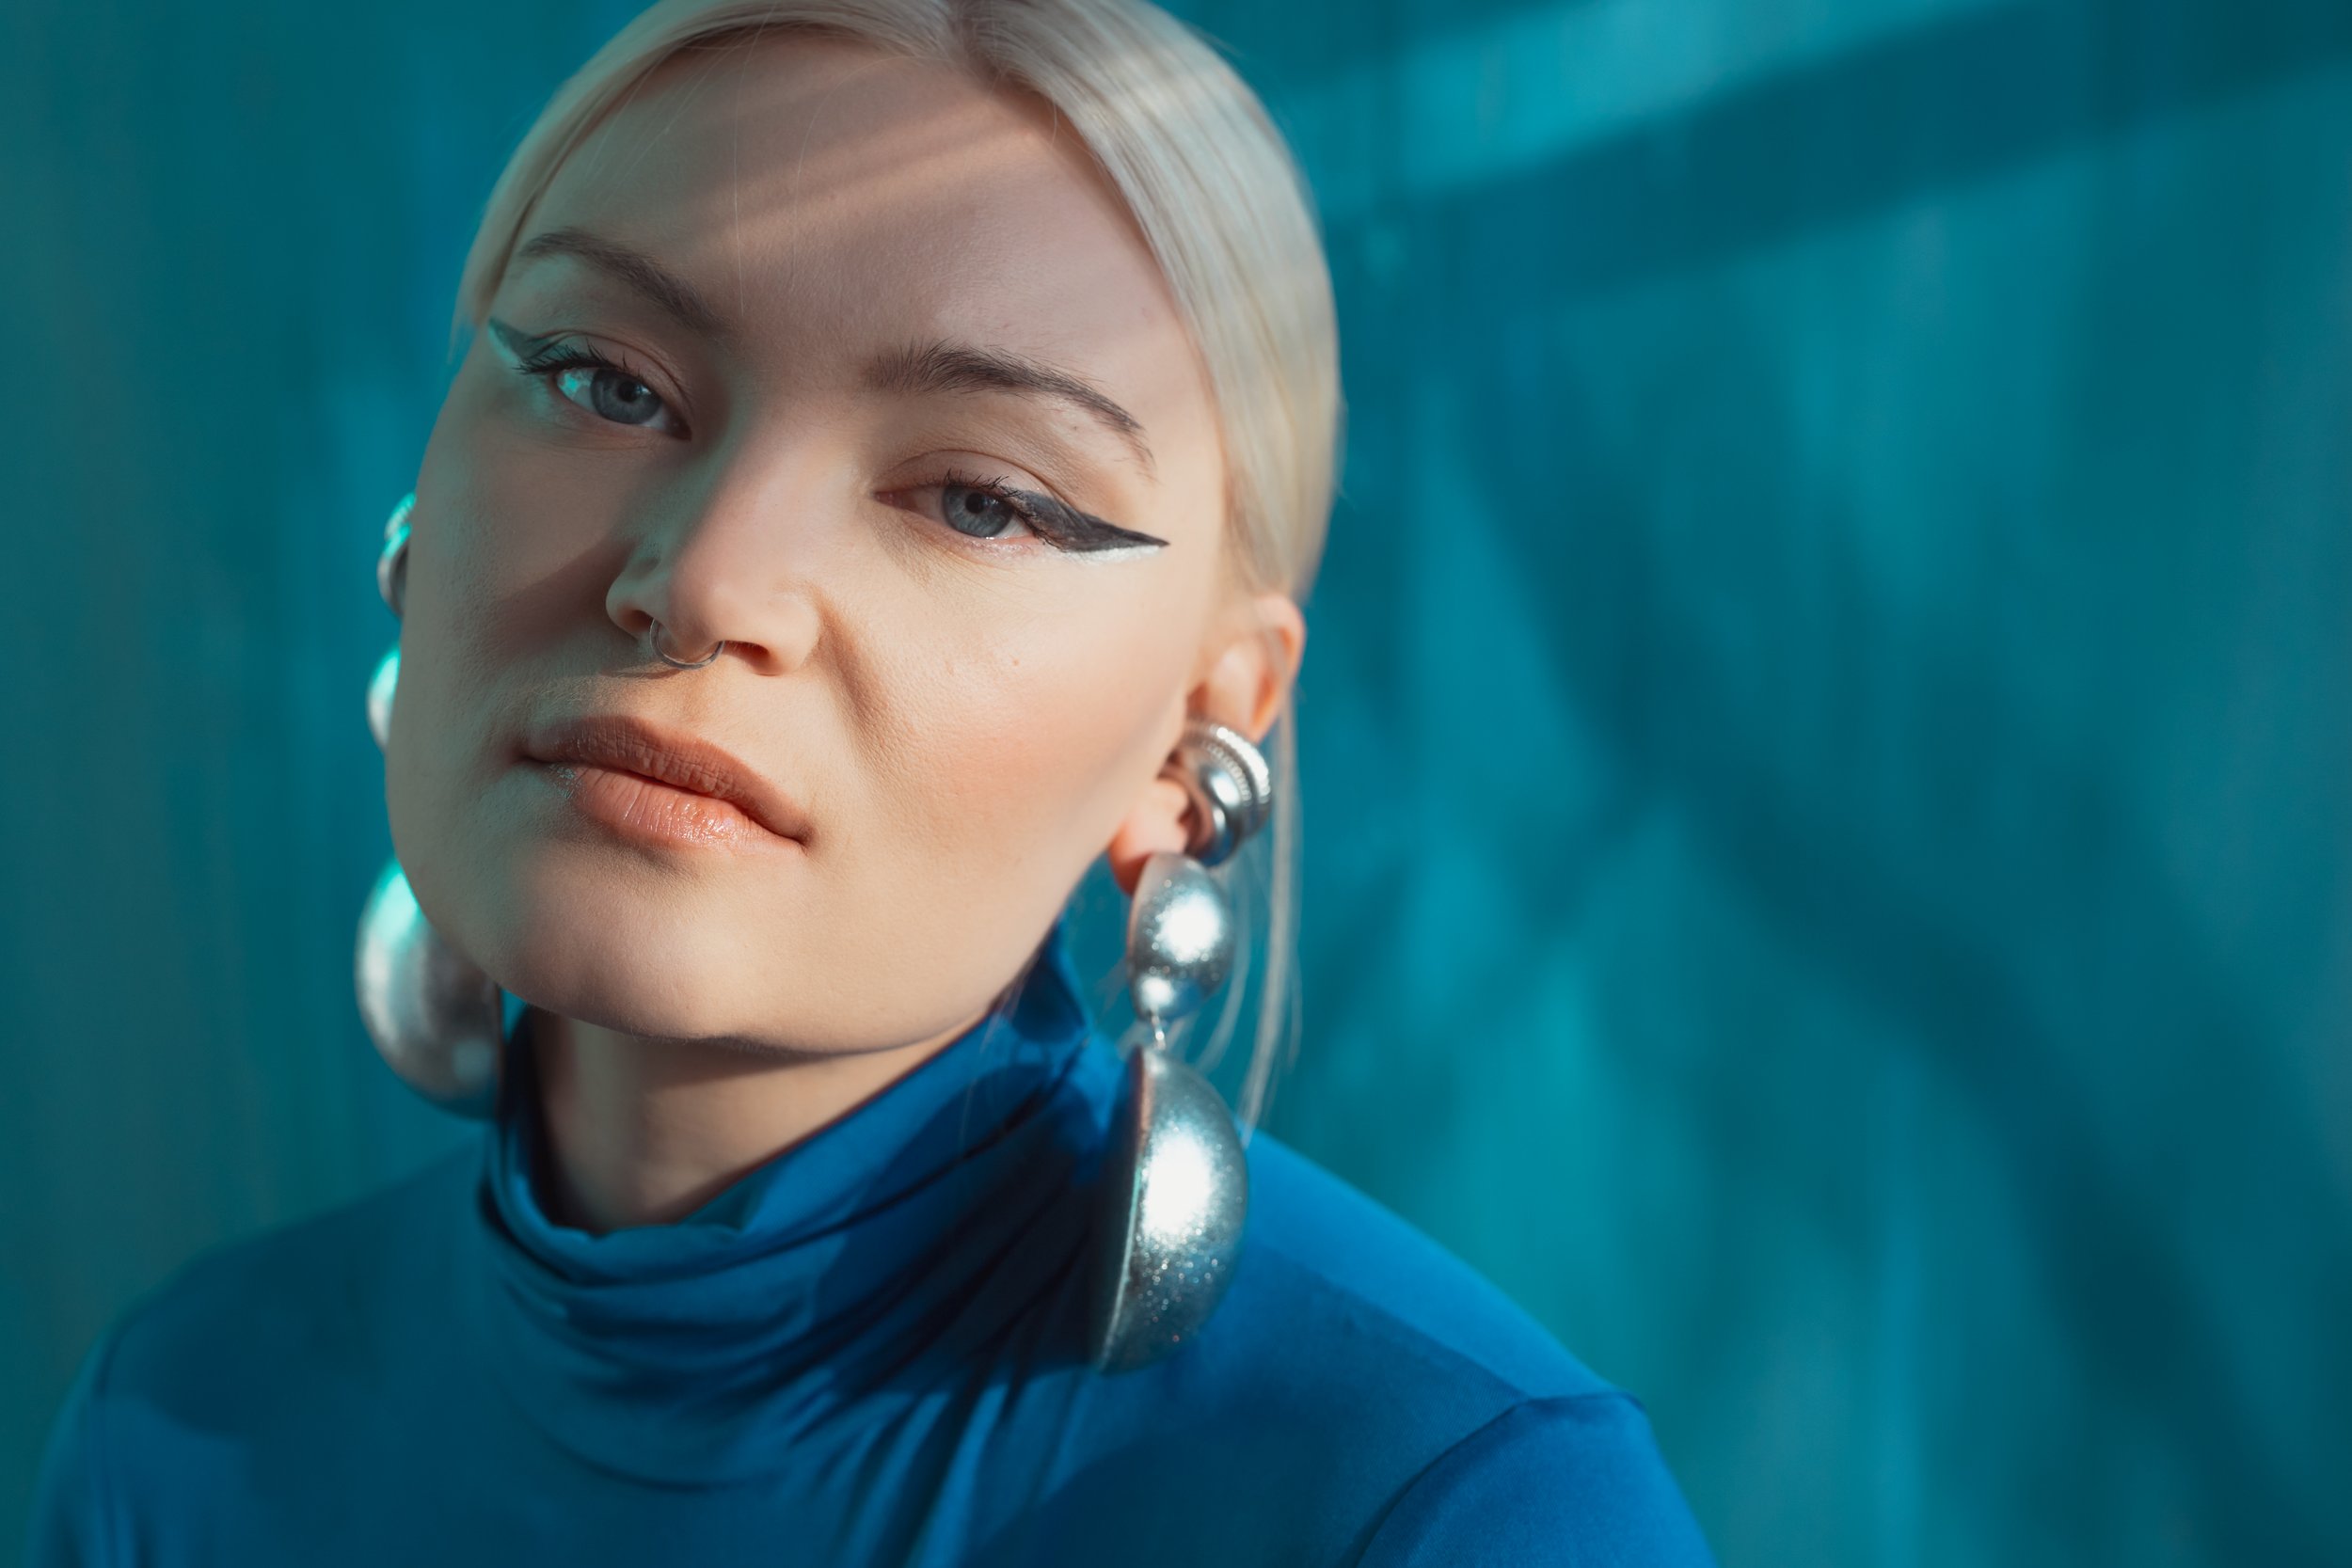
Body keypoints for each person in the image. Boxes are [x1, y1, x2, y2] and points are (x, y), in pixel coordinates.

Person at [26, 1, 1717, 1561]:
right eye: (608, 384)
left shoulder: (1452, 1510)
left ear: (1199, 740)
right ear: (412, 521)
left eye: (977, 498)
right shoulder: (176, 1432)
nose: (701, 585)